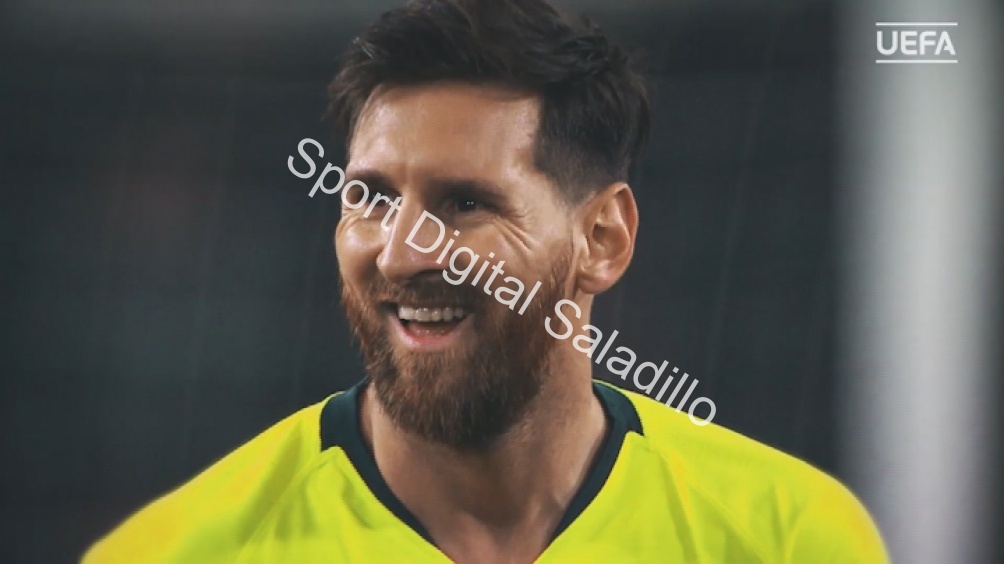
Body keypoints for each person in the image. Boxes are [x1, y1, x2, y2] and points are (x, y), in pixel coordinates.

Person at [84, 0, 887, 561]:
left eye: (464, 203)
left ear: (602, 240)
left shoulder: (789, 539)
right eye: (371, 198)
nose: (400, 255)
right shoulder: (179, 553)